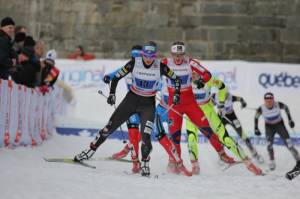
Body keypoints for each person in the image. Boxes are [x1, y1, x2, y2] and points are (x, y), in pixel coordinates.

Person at [74, 41, 181, 177]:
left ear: (155, 56)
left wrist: (177, 94)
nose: (148, 59)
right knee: (109, 128)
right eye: (146, 56)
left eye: (151, 56)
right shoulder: (134, 63)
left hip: (148, 104)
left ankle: (145, 164)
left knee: (146, 137)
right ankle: (89, 151)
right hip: (131, 100)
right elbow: (117, 77)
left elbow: (176, 79)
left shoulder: (160, 66)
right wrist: (112, 94)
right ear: (142, 54)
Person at [164, 41, 262, 175]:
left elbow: (222, 87)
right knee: (191, 138)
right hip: (189, 110)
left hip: (207, 110)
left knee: (223, 136)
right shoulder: (182, 78)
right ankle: (194, 165)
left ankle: (247, 163)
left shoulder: (205, 79)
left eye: (195, 73)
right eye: (191, 74)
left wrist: (221, 105)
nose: (193, 76)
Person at [103, 44, 143, 173]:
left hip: (145, 104)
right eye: (133, 57)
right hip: (131, 104)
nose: (134, 60)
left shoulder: (148, 70)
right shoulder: (127, 67)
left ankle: (126, 150)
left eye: (137, 57)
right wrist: (107, 77)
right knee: (133, 133)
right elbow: (114, 76)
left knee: (142, 134)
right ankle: (135, 163)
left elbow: (160, 84)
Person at [213, 92, 264, 163]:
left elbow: (241, 99)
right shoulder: (215, 96)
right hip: (222, 119)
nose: (225, 98)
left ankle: (255, 154)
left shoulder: (230, 97)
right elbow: (208, 104)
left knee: (243, 135)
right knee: (222, 137)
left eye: (226, 97)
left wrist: (243, 103)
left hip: (232, 117)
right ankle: (222, 157)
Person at [254, 92, 299, 171]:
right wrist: (256, 128)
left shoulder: (278, 104)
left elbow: (286, 108)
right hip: (269, 127)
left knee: (289, 144)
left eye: (271, 100)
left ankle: (298, 159)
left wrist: (290, 120)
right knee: (269, 145)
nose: (269, 102)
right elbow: (256, 117)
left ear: (273, 99)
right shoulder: (261, 108)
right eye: (267, 100)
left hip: (280, 125)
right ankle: (272, 161)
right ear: (264, 101)